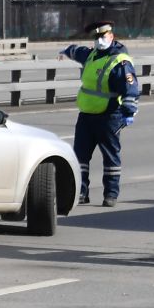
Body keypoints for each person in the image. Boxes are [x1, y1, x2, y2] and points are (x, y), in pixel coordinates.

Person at [60, 20, 139, 207]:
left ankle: (110, 194)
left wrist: (129, 111)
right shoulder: (92, 55)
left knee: (111, 159)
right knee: (80, 158)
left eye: (103, 37)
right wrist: (67, 50)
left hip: (109, 116)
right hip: (86, 116)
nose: (99, 41)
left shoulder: (120, 61)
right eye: (96, 38)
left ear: (111, 36)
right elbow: (79, 52)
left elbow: (130, 88)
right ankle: (80, 192)